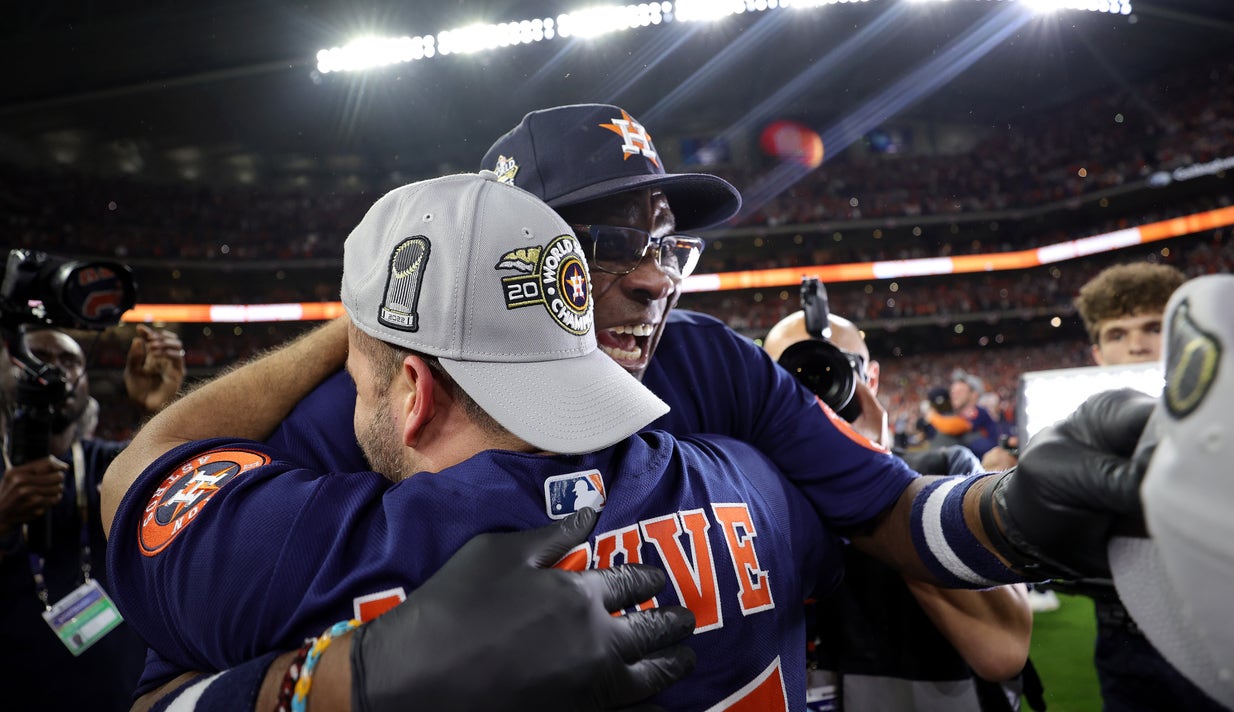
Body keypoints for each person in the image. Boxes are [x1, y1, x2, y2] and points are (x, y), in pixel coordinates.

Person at [105, 105, 1151, 708]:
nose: (653, 279)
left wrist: (1008, 515)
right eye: (603, 245)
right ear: (513, 260)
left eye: (666, 245)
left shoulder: (707, 365)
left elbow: (887, 507)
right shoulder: (340, 426)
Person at [104, 173, 834, 711]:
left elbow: (139, 477)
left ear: (414, 395)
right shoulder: (749, 481)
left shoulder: (320, 550)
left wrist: (326, 684)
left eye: (361, 378)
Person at [764, 310, 1032, 711]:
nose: (812, 388)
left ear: (869, 379)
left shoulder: (942, 473)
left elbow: (1002, 648)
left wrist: (873, 481)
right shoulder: (738, 486)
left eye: (831, 366)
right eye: (792, 373)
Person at [1, 324, 185, 712]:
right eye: (37, 357)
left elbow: (179, 498)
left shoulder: (107, 464)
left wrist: (161, 414)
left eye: (69, 361)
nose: (53, 371)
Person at [1072, 262, 1229, 711]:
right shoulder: (1075, 430)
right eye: (1117, 334)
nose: (1137, 345)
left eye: (1153, 327)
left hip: (1224, 630)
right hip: (1123, 634)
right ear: (1098, 354)